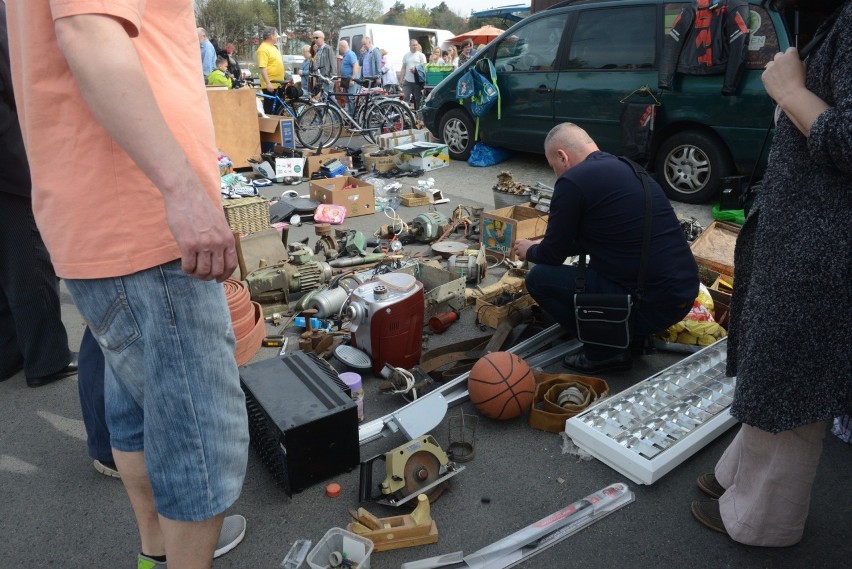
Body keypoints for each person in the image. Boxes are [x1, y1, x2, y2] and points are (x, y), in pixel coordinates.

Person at [5, 3, 250, 569]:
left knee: (137, 412)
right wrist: (183, 191)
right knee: (199, 443)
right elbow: (88, 32)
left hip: (107, 218)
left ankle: (156, 554)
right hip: (141, 221)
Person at [690, 0, 851, 547]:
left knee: (792, 380)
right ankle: (739, 476)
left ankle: (764, 522)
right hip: (802, 241)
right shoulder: (836, 19)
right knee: (774, 369)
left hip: (822, 250)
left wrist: (791, 93)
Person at [513, 123, 698, 373]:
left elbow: (552, 256)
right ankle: (628, 334)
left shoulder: (572, 181)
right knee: (595, 268)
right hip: (682, 294)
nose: (555, 173)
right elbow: (604, 237)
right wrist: (545, 245)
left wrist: (530, 250)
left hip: (649, 303)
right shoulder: (628, 168)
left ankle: (605, 351)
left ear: (562, 156)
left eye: (552, 166)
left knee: (539, 278)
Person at [0, 3, 77, 389]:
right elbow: (15, 79)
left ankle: (10, 352)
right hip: (8, 163)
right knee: (27, 261)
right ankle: (46, 357)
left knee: (8, 264)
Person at [257, 26, 285, 113]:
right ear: (271, 36)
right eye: (276, 35)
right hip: (271, 84)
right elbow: (262, 67)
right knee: (269, 107)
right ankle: (268, 125)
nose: (277, 37)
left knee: (280, 108)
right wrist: (268, 83)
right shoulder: (263, 49)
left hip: (278, 83)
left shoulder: (273, 47)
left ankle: (278, 125)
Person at [401, 38, 427, 110]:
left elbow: (424, 66)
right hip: (407, 80)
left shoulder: (421, 55)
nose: (415, 46)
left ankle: (417, 114)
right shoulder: (406, 55)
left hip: (417, 81)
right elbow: (403, 68)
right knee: (406, 97)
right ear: (409, 45)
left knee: (417, 99)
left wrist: (416, 68)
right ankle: (405, 114)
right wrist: (401, 79)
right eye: (413, 45)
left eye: (416, 45)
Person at [338, 40, 359, 115]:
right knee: (348, 98)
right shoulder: (345, 55)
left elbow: (356, 66)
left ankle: (354, 116)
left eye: (339, 47)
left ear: (342, 46)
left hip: (350, 80)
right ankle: (350, 115)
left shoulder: (350, 54)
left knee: (351, 98)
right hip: (345, 79)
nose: (339, 49)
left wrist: (352, 79)